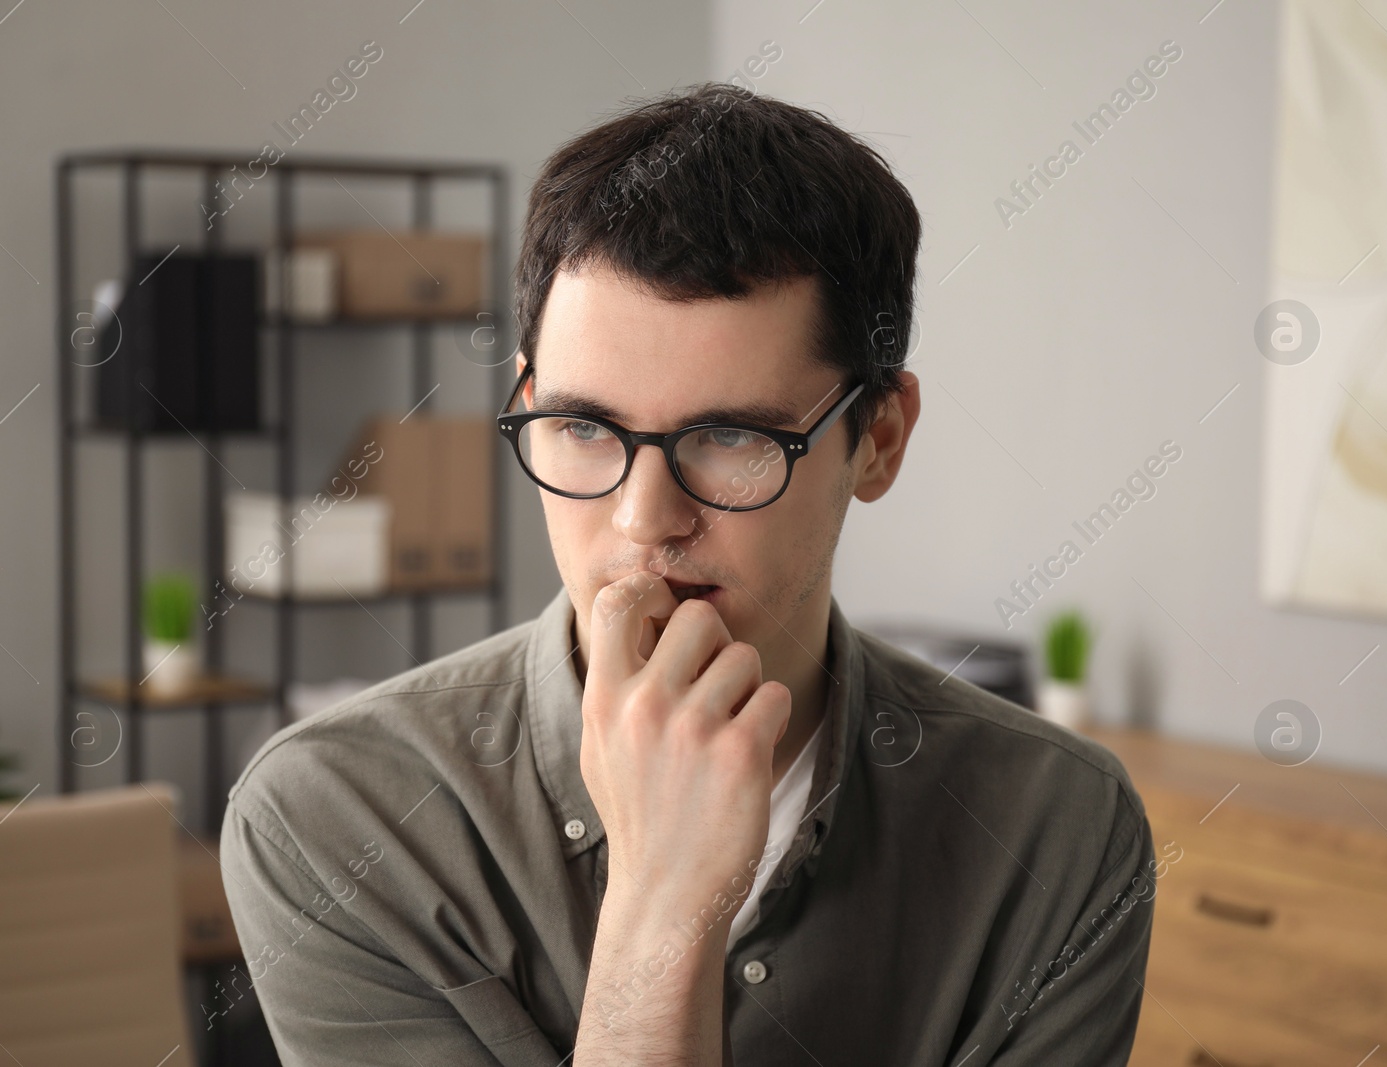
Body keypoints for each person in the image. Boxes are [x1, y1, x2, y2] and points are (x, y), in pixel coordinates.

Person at [220, 81, 1158, 1066]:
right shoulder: (330, 813)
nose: (642, 518)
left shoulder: (1059, 824)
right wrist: (665, 903)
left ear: (877, 438)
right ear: (528, 403)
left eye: (728, 436)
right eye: (583, 427)